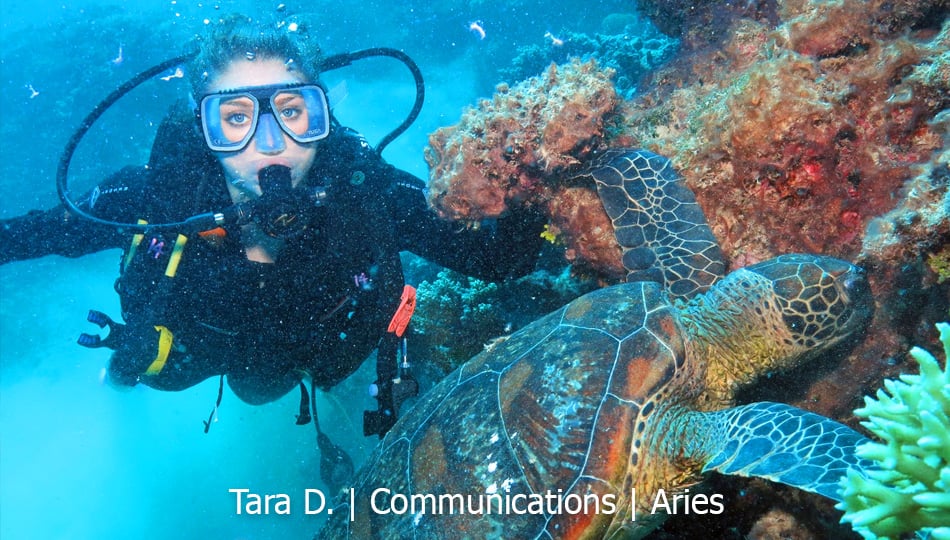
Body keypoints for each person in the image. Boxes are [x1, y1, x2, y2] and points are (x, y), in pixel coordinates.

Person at [0, 15, 543, 436]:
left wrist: (535, 170)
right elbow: (32, 235)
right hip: (183, 351)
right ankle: (119, 381)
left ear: (321, 114)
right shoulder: (162, 193)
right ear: (203, 126)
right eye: (235, 117)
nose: (268, 142)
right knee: (139, 367)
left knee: (262, 391)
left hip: (302, 357)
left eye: (291, 110)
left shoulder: (361, 190)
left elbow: (498, 260)